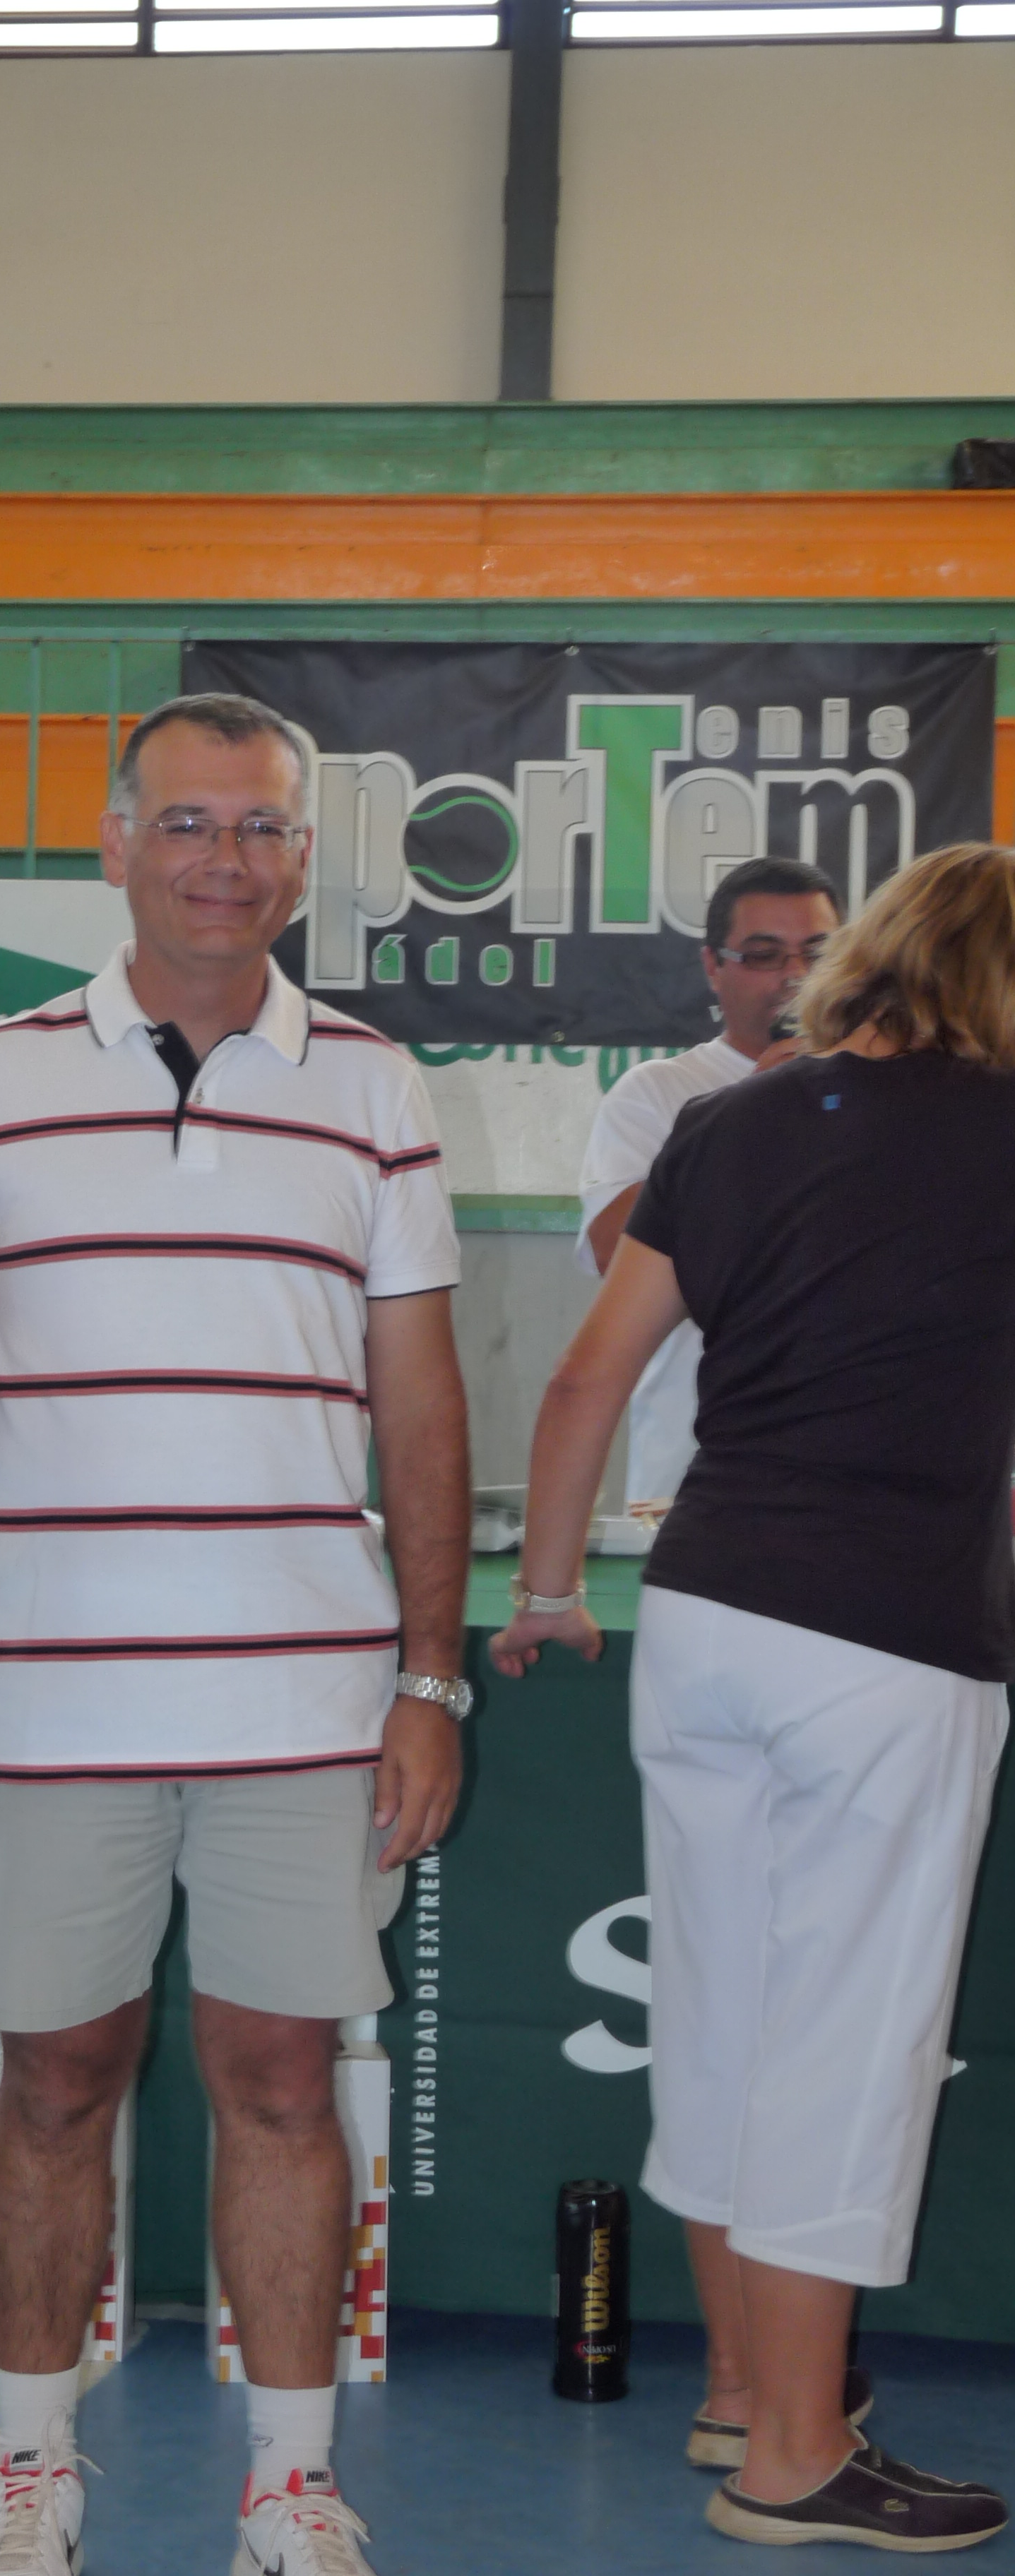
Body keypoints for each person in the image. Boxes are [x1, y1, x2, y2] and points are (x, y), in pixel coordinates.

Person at [0, 692, 473, 2576]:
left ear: (303, 859)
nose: (227, 859)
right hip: (51, 1702)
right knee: (52, 2077)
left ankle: (289, 2487)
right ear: (117, 844)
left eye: (263, 827)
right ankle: (33, 2472)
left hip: (303, 1699)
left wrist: (430, 1676)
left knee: (283, 2081)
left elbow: (421, 1397)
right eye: (191, 822)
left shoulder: (372, 1083)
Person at [491, 842, 1015, 2553]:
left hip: (705, 1615)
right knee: (843, 2052)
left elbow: (584, 1379)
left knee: (719, 2020)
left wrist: (547, 1592)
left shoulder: (723, 1125)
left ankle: (738, 2394)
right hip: (887, 1637)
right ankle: (794, 2454)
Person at [576, 858, 839, 1511]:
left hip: (851, 1476)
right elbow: (613, 1253)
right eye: (764, 955)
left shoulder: (888, 1097)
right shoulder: (658, 1094)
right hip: (691, 1478)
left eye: (818, 953)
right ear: (713, 968)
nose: (796, 977)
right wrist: (753, 1109)